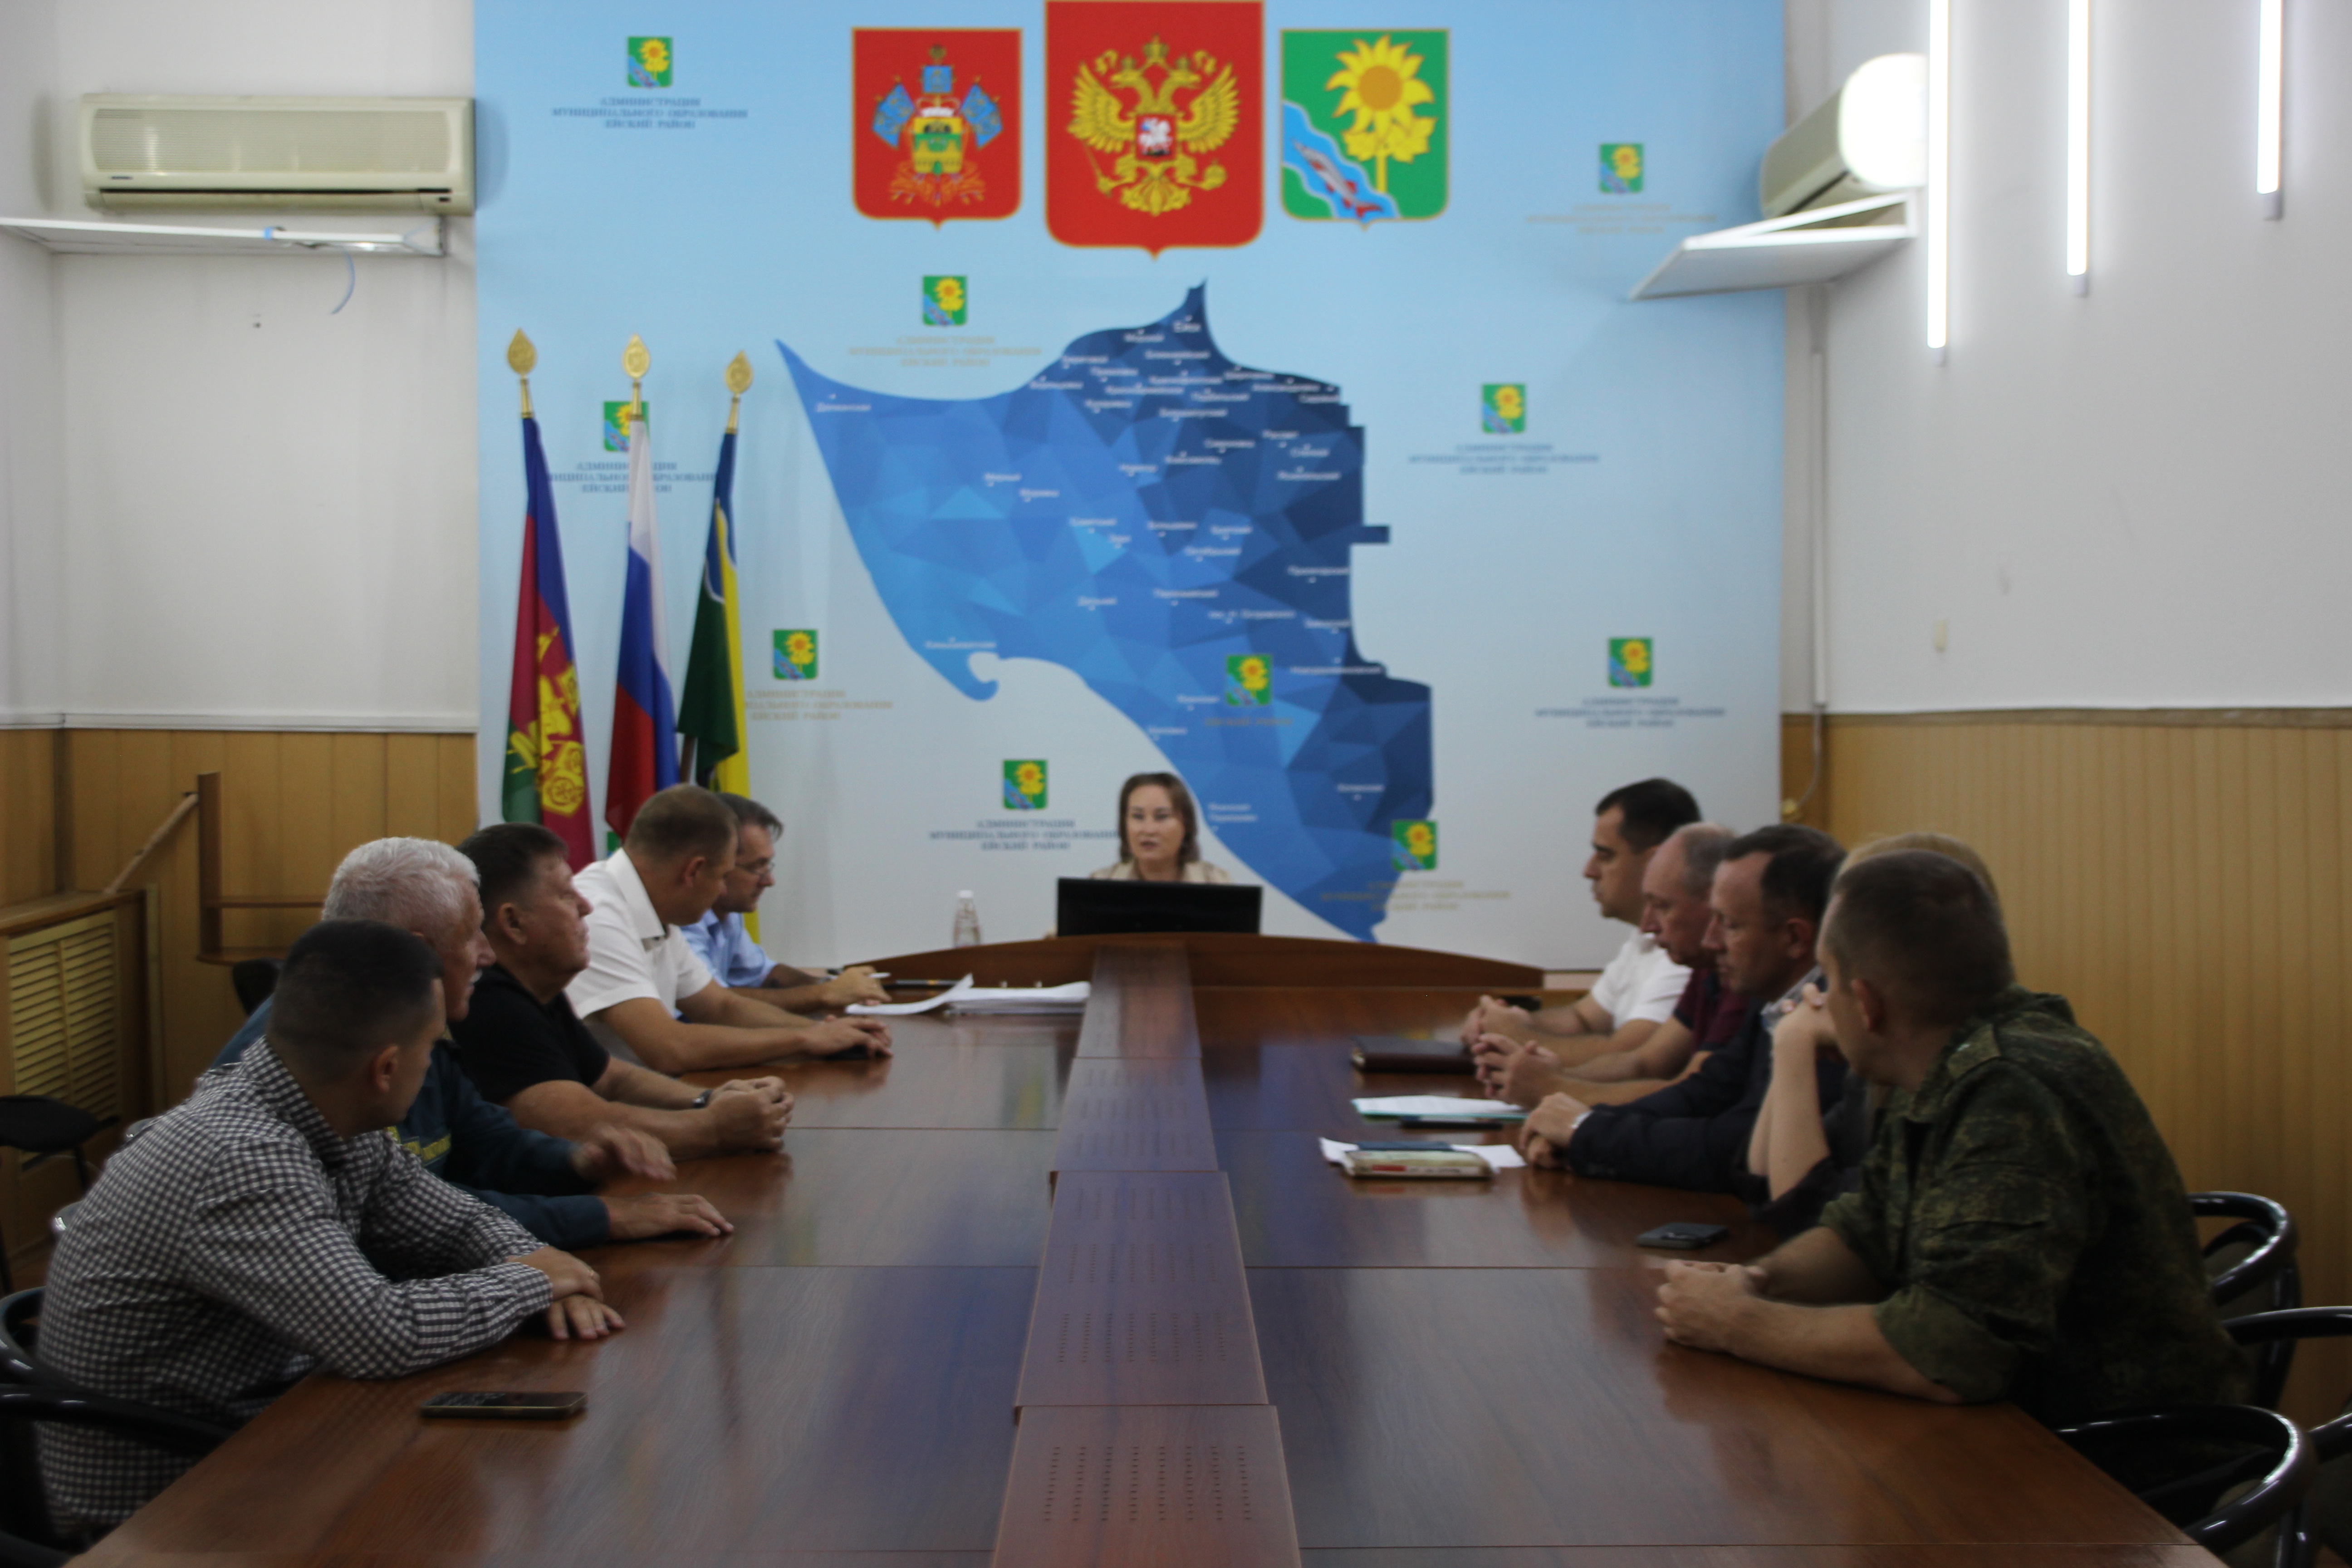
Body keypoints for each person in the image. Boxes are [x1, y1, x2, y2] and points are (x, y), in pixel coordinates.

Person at [39, 921, 625, 1529]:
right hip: (165, 1509)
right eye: (431, 1049)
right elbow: (379, 1333)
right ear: (386, 1068)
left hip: (258, 1434)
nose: (433, 1066)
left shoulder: (325, 1111)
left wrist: (534, 1262)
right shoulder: (244, 1158)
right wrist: (534, 1281)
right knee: (479, 1518)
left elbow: (452, 1223)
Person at [1653, 851, 2246, 1426]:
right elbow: (1867, 1230)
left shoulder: (2010, 1091)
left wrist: (1739, 1325)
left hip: (2127, 1458)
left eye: (1828, 982)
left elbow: (1950, 1353)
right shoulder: (1945, 1060)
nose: (1820, 1003)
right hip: (2034, 1428)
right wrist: (1758, 1282)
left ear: (1868, 1004)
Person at [214, 838, 726, 1250]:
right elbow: (401, 1219)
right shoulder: (316, 1056)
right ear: (416, 952)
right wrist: (594, 1220)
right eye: (469, 935)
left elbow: (485, 1143)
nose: (487, 954)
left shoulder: (410, 1024)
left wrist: (578, 1161)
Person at [1517, 824, 1846, 1193]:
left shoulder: (1834, 1017)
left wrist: (1585, 1131)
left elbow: (1735, 1145)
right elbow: (1703, 1092)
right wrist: (1581, 1127)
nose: (1711, 941)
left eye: (1730, 925)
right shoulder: (1770, 997)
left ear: (1795, 938)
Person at [454, 822, 796, 1158]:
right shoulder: (487, 1000)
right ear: (513, 923)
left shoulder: (535, 987)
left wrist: (710, 1098)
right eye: (566, 895)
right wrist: (717, 1128)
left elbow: (613, 1078)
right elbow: (577, 1123)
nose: (585, 906)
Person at [1741, 832, 2001, 1237]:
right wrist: (1793, 1039)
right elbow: (1760, 1187)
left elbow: (1807, 1218)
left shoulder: (1974, 1083)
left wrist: (1793, 1045)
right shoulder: (1877, 1073)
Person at [571, 784, 892, 1073]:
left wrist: (827, 1032)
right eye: (723, 876)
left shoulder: (654, 906)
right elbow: (669, 1048)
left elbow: (721, 1006)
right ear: (694, 871)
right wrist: (804, 1039)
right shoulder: (596, 915)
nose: (722, 891)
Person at [1474, 823, 1740, 1109]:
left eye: (1663, 907)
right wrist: (1546, 1077)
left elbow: (1694, 1094)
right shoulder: (1705, 969)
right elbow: (1643, 1062)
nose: (1648, 926)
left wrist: (1549, 1086)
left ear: (1713, 903)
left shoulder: (1742, 978)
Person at [1458, 779, 1700, 1067]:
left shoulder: (1685, 952)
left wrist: (1513, 1035)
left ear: (1655, 862)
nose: (1589, 871)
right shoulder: (1644, 938)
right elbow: (1583, 1018)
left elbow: (1629, 1056)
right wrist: (1513, 1021)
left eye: (1606, 856)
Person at [682, 793, 890, 1011]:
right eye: (756, 867)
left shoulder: (727, 910)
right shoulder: (684, 919)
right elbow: (715, 1003)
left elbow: (762, 974)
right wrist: (825, 994)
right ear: (718, 863)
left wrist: (831, 985)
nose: (769, 881)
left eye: (767, 866)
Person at [1089, 772, 1232, 882]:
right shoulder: (1100, 884)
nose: (1148, 830)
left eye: (1162, 817)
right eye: (1138, 816)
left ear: (1186, 825)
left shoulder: (1215, 882)